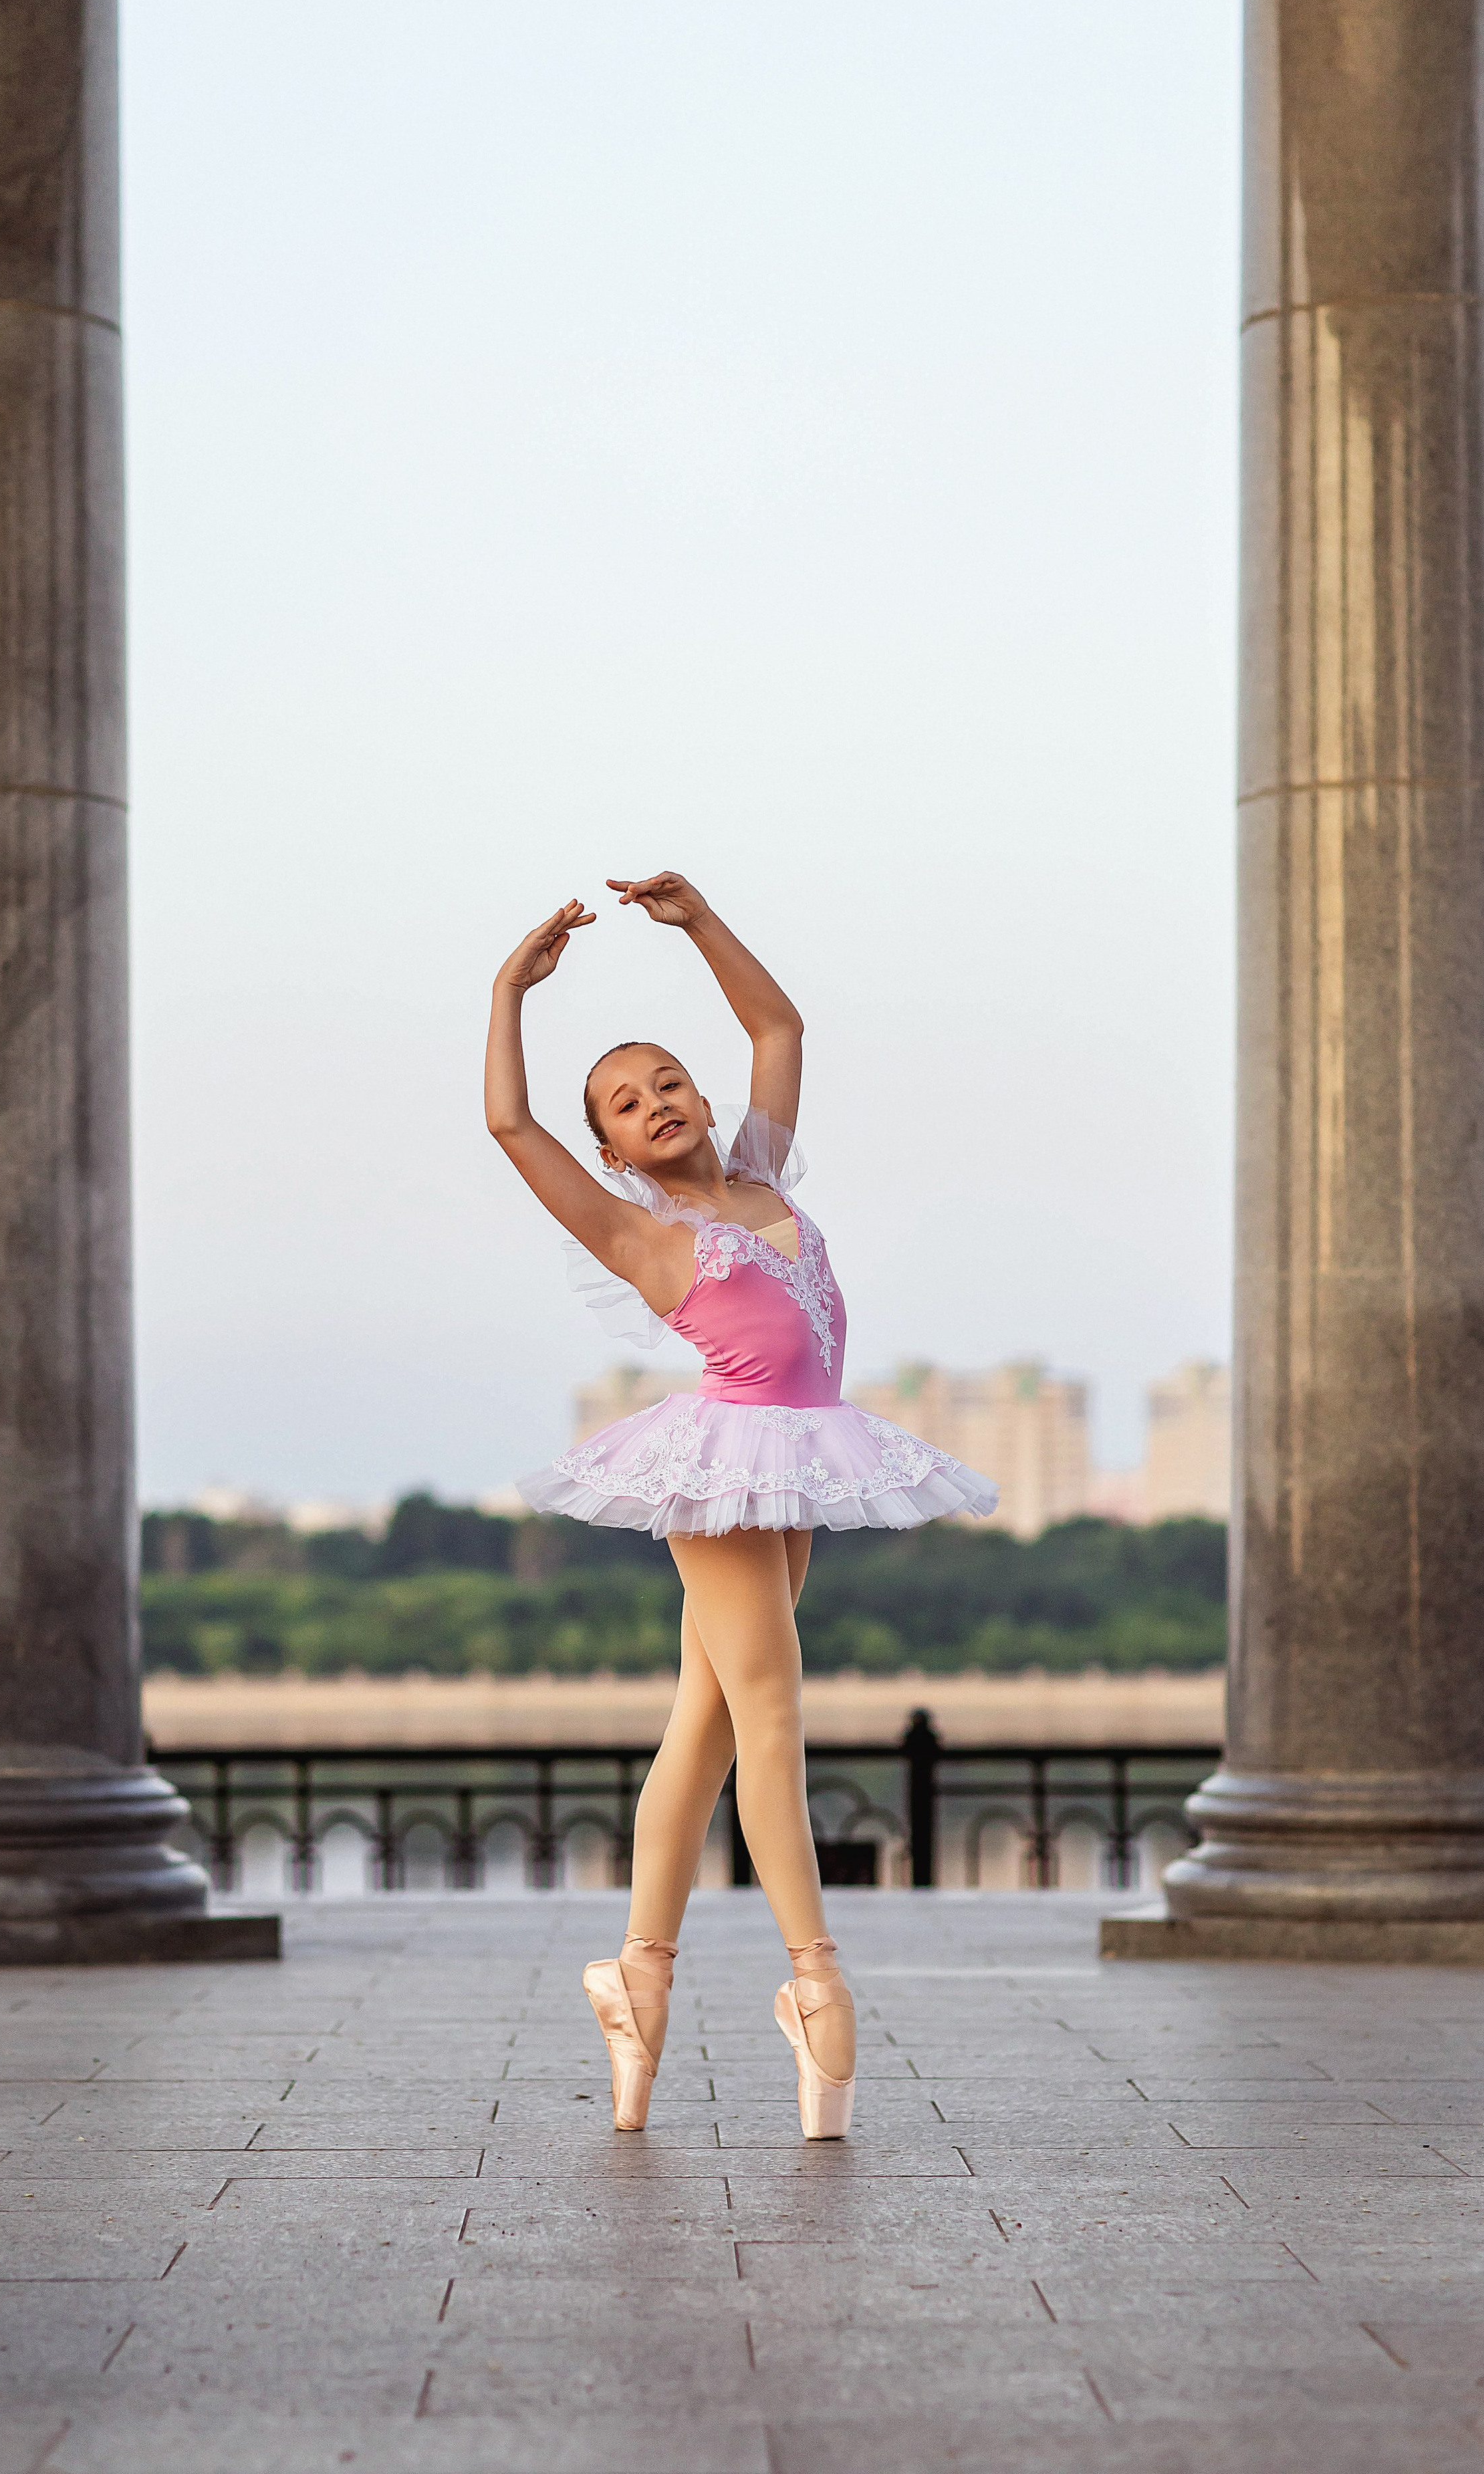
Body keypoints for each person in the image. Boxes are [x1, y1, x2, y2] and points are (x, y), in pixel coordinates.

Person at [484, 872, 997, 2139]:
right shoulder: (642, 1234)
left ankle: (636, 1981)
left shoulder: (763, 1174)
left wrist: (699, 921)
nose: (653, 1106)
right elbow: (510, 1129)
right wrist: (510, 992)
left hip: (801, 1459)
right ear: (610, 1147)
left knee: (705, 1726)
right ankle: (815, 1981)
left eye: (666, 1082)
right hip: (719, 1470)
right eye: (623, 1104)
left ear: (700, 1098)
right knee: (771, 1709)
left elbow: (782, 1031)